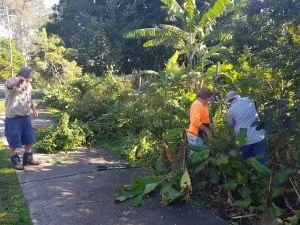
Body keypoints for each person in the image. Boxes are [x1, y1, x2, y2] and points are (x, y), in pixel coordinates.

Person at [4, 68, 40, 170]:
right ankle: (15, 162)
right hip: (13, 118)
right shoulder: (11, 84)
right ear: (23, 76)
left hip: (26, 117)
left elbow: (29, 98)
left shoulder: (29, 85)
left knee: (30, 138)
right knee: (14, 141)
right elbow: (10, 83)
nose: (31, 80)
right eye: (29, 78)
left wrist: (33, 109)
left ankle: (28, 159)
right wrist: (18, 79)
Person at [225, 91, 267, 165]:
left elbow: (230, 124)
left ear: (229, 100)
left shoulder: (231, 110)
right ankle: (266, 175)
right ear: (237, 96)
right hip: (259, 135)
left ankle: (249, 174)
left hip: (244, 139)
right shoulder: (248, 100)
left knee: (244, 161)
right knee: (261, 161)